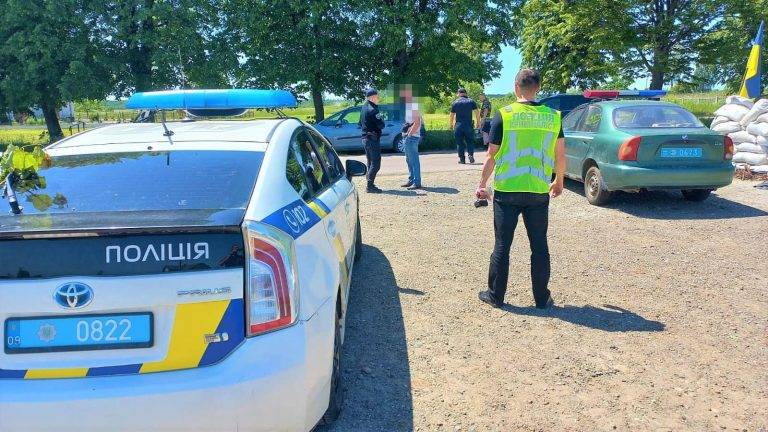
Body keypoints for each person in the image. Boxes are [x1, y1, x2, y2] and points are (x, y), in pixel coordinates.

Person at [475, 68, 566, 310]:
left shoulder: (504, 115)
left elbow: (491, 156)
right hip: (537, 190)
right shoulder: (554, 117)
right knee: (539, 246)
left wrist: (482, 184)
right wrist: (559, 181)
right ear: (538, 88)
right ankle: (541, 299)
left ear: (516, 87)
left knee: (502, 246)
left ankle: (496, 295)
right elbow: (559, 154)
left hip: (507, 191)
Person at [360, 88, 386, 193]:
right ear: (372, 97)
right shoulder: (373, 110)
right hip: (372, 139)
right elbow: (381, 125)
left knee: (370, 162)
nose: (378, 98)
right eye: (377, 96)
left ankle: (370, 184)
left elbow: (359, 124)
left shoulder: (363, 108)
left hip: (365, 138)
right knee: (376, 163)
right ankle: (369, 186)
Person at [449, 88, 481, 164]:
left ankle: (462, 159)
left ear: (459, 93)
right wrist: (478, 122)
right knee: (470, 141)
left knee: (459, 143)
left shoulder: (455, 103)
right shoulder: (471, 101)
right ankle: (470, 155)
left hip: (458, 125)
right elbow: (477, 112)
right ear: (466, 93)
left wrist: (450, 125)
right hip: (468, 125)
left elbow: (451, 115)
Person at [400, 85, 423, 190]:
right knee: (409, 160)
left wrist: (409, 135)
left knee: (413, 160)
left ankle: (416, 182)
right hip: (409, 137)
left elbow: (417, 123)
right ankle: (411, 180)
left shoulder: (413, 106)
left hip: (412, 137)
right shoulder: (410, 106)